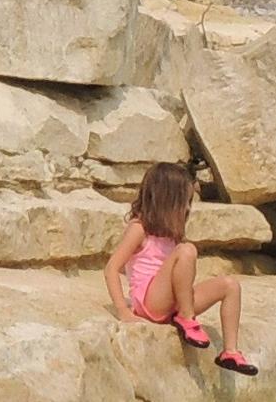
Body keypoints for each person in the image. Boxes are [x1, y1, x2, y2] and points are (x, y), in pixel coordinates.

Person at [106, 159, 256, 373]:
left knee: (230, 285)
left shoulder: (171, 236)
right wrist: (122, 309)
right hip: (152, 304)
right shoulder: (139, 229)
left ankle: (230, 352)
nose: (187, 208)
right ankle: (187, 318)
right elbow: (112, 267)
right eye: (184, 202)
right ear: (166, 201)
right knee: (188, 250)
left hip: (172, 304)